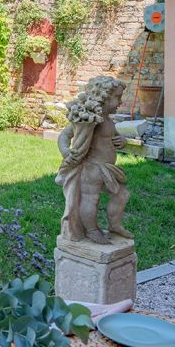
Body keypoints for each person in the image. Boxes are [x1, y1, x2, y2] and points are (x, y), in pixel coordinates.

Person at [56, 75, 130, 244]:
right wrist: (66, 152)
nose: (120, 102)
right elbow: (64, 136)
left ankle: (115, 225)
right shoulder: (88, 119)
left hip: (107, 168)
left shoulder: (108, 121)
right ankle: (91, 230)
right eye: (117, 97)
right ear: (104, 97)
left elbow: (114, 136)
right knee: (91, 198)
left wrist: (122, 141)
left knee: (122, 195)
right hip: (92, 168)